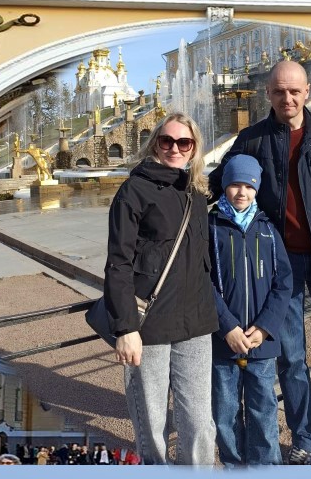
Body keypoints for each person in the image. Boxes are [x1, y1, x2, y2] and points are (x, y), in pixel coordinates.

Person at [211, 60, 311, 464]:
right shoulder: (252, 138)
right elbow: (216, 183)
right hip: (280, 267)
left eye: (295, 91)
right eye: (279, 91)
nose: (287, 98)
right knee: (291, 358)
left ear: (307, 91)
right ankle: (306, 438)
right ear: (268, 93)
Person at [105, 113, 219, 465]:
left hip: (196, 322)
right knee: (152, 423)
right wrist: (126, 328)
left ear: (194, 148)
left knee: (200, 423)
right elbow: (118, 263)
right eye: (167, 141)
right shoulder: (134, 191)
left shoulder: (196, 190)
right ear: (155, 142)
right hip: (149, 325)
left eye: (184, 142)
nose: (174, 148)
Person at [208, 154, 293, 466]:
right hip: (223, 340)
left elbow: (283, 282)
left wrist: (266, 326)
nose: (241, 192)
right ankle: (234, 465)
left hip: (261, 341)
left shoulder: (268, 229)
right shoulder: (211, 226)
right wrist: (227, 326)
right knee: (225, 411)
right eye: (234, 185)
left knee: (263, 408)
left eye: (248, 185)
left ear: (257, 188)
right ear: (225, 186)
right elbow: (202, 281)